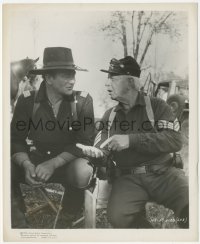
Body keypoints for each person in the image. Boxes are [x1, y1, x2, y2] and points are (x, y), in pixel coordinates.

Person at [77, 56, 189, 228]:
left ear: (130, 82)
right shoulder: (110, 115)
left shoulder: (158, 107)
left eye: (113, 78)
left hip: (164, 175)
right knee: (118, 217)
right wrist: (98, 155)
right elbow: (103, 149)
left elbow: (175, 140)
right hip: (128, 179)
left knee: (191, 207)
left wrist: (131, 140)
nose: (107, 84)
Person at [11, 47, 95, 228]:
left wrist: (54, 163)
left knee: (83, 169)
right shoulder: (27, 101)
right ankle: (17, 220)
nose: (72, 81)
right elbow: (15, 139)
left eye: (73, 75)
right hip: (36, 162)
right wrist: (26, 164)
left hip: (68, 164)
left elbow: (85, 142)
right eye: (66, 75)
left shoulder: (82, 102)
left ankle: (68, 216)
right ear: (48, 78)